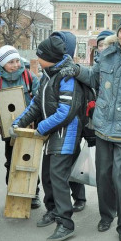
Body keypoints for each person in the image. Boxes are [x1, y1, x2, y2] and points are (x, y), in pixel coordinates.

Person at [60, 14, 121, 241]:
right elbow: (93, 77)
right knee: (102, 174)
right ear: (117, 33)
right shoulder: (107, 54)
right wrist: (76, 70)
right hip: (102, 126)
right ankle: (106, 214)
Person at [10, 36, 85, 241]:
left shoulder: (66, 77)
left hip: (65, 134)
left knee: (59, 177)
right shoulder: (47, 75)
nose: (37, 58)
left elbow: (65, 112)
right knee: (48, 175)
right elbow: (36, 103)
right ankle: (52, 210)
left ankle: (66, 222)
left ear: (49, 58)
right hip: (52, 133)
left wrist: (41, 129)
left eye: (40, 56)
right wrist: (20, 122)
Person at [0, 45, 40, 208]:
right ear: (2, 64)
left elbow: (38, 97)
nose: (15, 65)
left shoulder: (29, 76)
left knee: (30, 159)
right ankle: (13, 189)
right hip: (9, 128)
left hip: (28, 125)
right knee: (11, 160)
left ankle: (33, 192)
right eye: (10, 62)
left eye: (16, 61)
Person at [48, 31, 87, 213]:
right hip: (55, 127)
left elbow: (72, 105)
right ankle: (56, 206)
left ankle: (79, 197)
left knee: (73, 165)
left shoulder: (71, 71)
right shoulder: (51, 69)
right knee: (59, 169)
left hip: (72, 127)